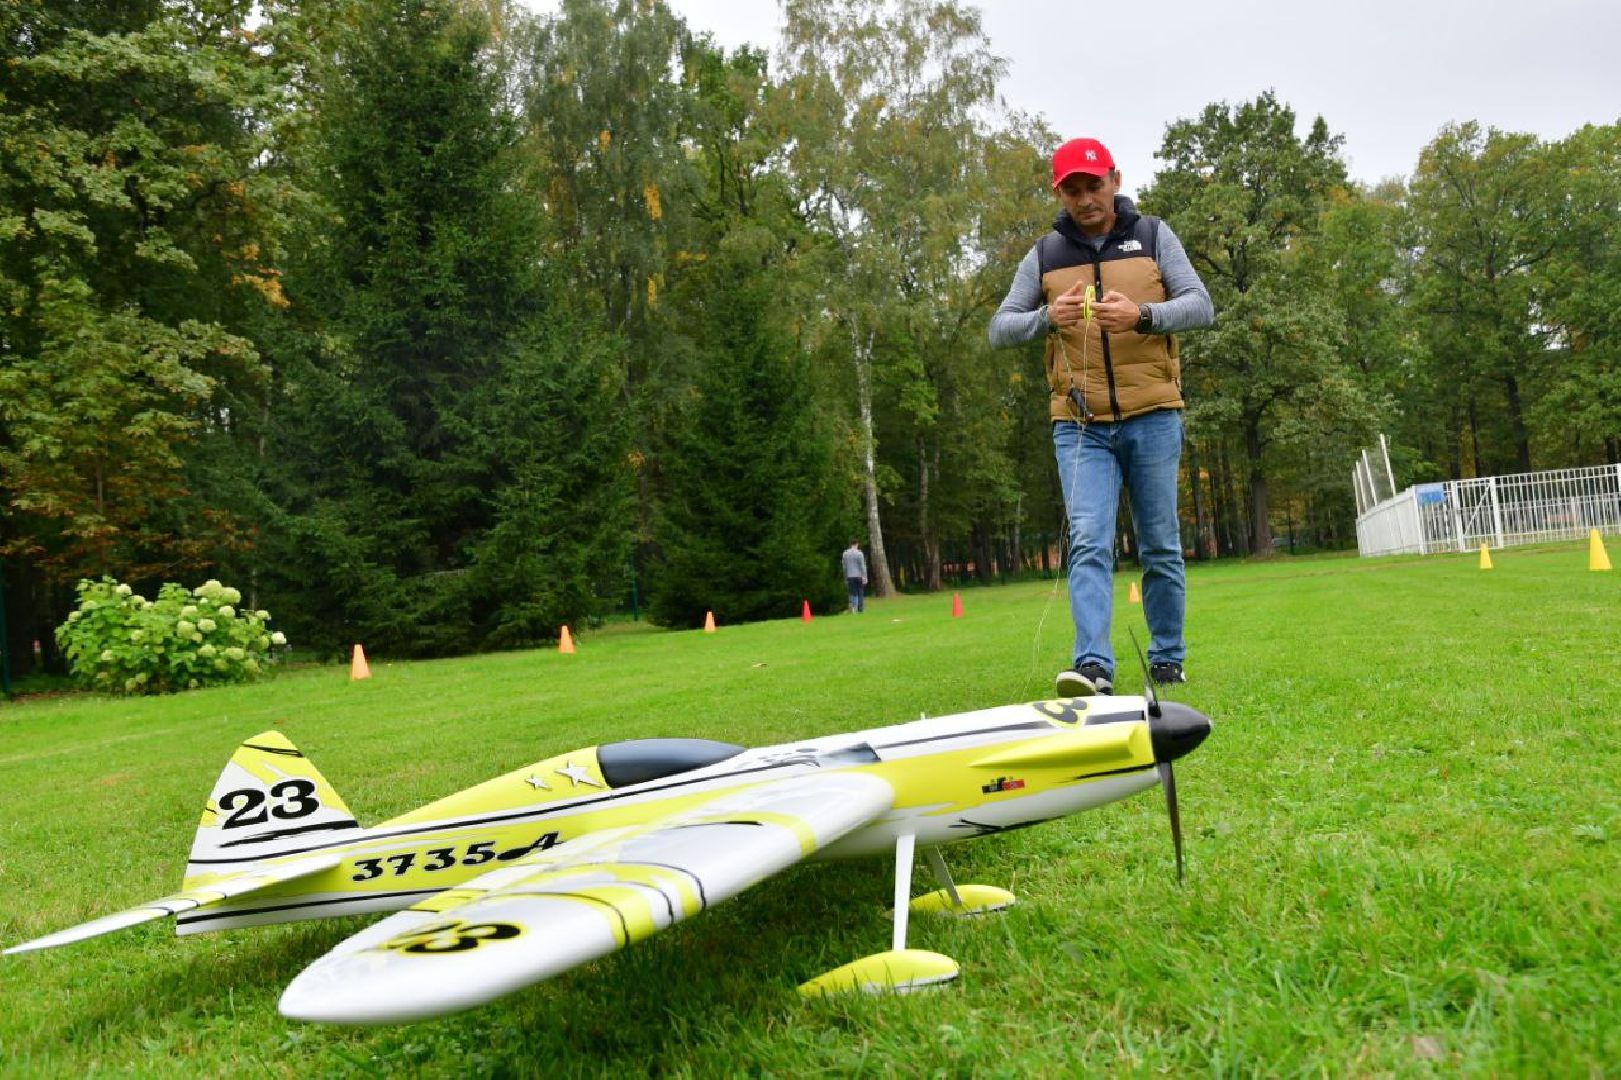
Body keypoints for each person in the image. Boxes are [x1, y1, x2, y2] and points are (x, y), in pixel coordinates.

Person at [989, 137, 1214, 697]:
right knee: (1089, 540)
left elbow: (1200, 306)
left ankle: (1168, 656)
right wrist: (1045, 317)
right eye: (1073, 189)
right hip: (1080, 424)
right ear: (1058, 191)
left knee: (1159, 542)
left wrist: (1143, 315)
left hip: (1153, 415)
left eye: (1094, 185)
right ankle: (1092, 666)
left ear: (1114, 179)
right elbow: (1000, 328)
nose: (1086, 199)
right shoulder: (1044, 255)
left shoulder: (1154, 236)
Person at [842, 540, 868, 613]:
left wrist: (845, 576)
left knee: (852, 592)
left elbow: (844, 567)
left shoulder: (845, 553)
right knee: (860, 591)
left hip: (850, 576)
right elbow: (862, 566)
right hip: (859, 576)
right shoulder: (860, 553)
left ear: (850, 545)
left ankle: (853, 607)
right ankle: (860, 608)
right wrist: (865, 576)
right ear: (857, 544)